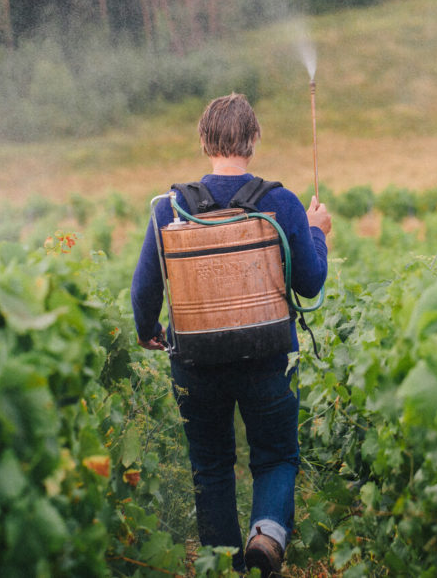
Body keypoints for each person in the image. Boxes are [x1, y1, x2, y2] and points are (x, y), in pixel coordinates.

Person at [130, 93, 332, 576]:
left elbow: (144, 288)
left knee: (212, 466)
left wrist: (148, 332)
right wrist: (316, 229)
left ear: (204, 141)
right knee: (277, 455)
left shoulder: (171, 207)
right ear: (255, 140)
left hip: (195, 363)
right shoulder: (279, 203)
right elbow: (310, 282)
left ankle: (223, 567)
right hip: (268, 357)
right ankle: (267, 534)